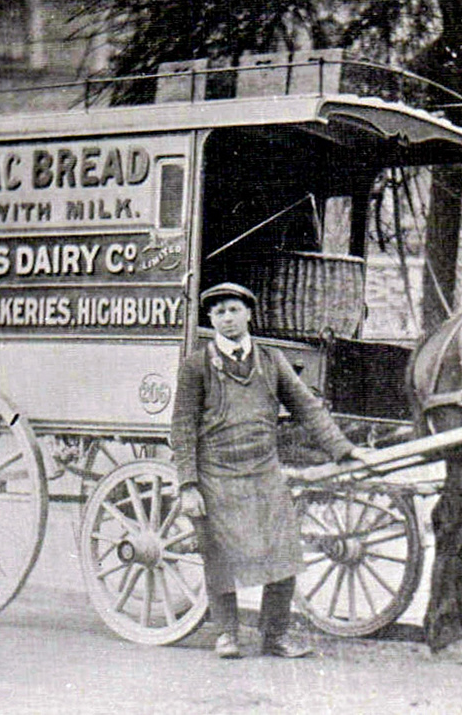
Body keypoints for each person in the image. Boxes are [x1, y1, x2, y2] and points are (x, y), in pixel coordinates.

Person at [170, 281, 371, 659]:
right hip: (216, 472)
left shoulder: (271, 360)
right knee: (219, 553)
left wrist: (343, 450)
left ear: (249, 313)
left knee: (283, 551)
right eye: (219, 312)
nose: (227, 318)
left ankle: (274, 636)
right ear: (210, 320)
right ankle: (227, 634)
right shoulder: (196, 366)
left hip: (263, 469)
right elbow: (181, 426)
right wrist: (188, 485)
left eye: (234, 310)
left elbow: (307, 409)